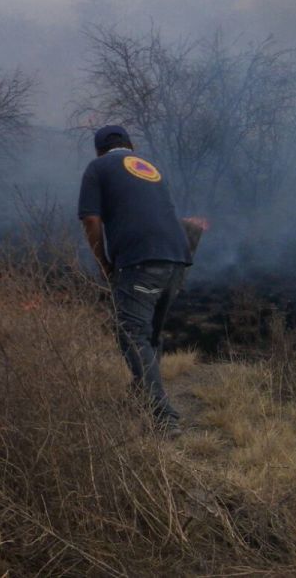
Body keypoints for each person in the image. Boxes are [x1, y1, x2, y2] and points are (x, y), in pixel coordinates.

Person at [78, 125, 192, 435]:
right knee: (150, 335)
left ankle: (162, 416)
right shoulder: (150, 169)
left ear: (100, 150)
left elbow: (91, 218)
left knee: (132, 334)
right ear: (131, 145)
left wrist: (103, 262)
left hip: (140, 261)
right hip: (178, 258)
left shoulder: (98, 167)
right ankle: (141, 395)